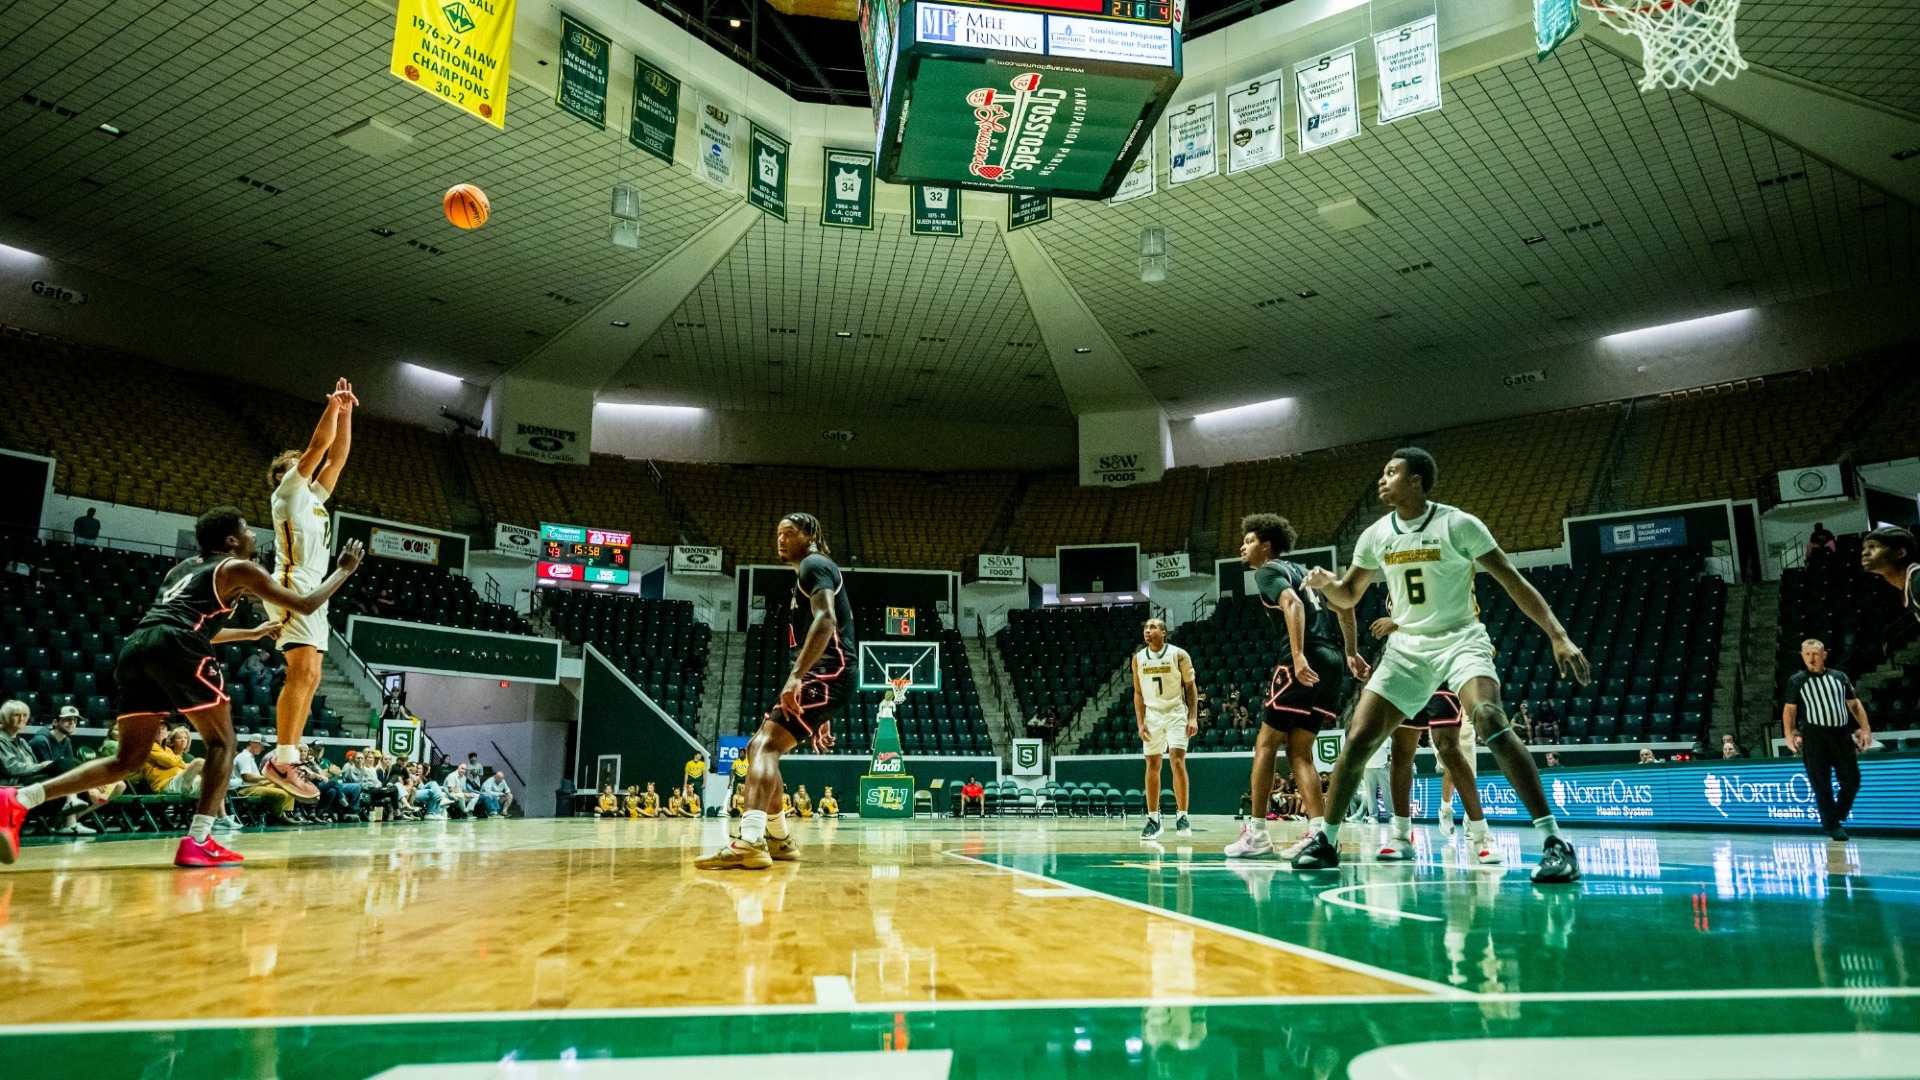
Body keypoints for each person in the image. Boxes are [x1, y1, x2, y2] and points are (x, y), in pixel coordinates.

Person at [1291, 448, 1589, 883]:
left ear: (1417, 481)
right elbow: (1349, 595)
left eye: (1393, 473)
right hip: (1407, 647)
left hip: (1460, 637)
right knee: (1358, 738)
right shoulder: (1376, 534)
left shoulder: (1458, 524)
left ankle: (1554, 840)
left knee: (1489, 718)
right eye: (1383, 472)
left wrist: (1557, 634)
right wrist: (1327, 585)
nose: (1383, 479)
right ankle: (1327, 839)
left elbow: (1513, 580)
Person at [0, 507, 362, 866]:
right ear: (231, 540)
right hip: (178, 647)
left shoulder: (183, 569)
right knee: (223, 742)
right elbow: (305, 603)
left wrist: (251, 633)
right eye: (247, 529)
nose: (254, 534)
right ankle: (199, 840)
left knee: (127, 760)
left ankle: (20, 799)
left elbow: (196, 623)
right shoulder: (239, 567)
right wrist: (343, 570)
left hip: (139, 646)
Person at [699, 513, 852, 871]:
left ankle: (750, 841)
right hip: (828, 677)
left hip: (830, 674)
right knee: (758, 747)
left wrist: (799, 676)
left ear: (810, 535)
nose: (781, 540)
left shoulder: (814, 565)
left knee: (765, 746)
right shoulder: (807, 574)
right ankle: (778, 839)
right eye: (778, 533)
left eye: (790, 533)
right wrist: (821, 713)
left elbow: (827, 621)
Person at [1225, 514, 1363, 861]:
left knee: (1266, 743)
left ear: (1266, 546)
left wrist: (1299, 656)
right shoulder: (1307, 571)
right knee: (1300, 751)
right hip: (1331, 660)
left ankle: (1256, 834)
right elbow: (1345, 604)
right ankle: (1319, 833)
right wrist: (1350, 653)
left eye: (1249, 540)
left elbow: (1293, 604)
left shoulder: (1268, 571)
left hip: (1304, 657)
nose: (1243, 546)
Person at [261, 380, 359, 806]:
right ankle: (281, 759)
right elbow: (320, 448)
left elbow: (336, 459)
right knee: (300, 671)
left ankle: (291, 756)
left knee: (313, 675)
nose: (308, 466)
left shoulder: (315, 498)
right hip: (292, 583)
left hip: (316, 586)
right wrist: (333, 410)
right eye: (298, 463)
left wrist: (349, 415)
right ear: (283, 475)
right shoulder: (286, 495)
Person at [1782, 638, 1871, 841]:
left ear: (1824, 655)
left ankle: (1837, 814)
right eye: (1807, 654)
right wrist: (1789, 733)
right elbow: (1789, 709)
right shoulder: (1796, 680)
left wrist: (1864, 728)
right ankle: (1832, 825)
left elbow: (1854, 703)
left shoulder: (1839, 677)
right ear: (1802, 656)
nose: (1811, 659)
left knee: (1852, 779)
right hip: (1814, 738)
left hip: (1840, 735)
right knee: (1821, 784)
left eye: (1815, 654)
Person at [1132, 617, 1198, 840]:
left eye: (1152, 627)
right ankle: (1153, 819)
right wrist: (1140, 723)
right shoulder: (1138, 659)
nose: (1147, 631)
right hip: (1152, 714)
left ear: (1164, 632)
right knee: (1152, 764)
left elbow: (1191, 687)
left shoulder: (1179, 655)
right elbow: (1138, 693)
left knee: (1177, 760)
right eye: (1145, 628)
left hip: (1175, 711)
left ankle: (1182, 816)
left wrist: (1193, 716)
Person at [232, 734, 299, 826]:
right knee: (281, 794)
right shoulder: (244, 757)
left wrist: (275, 780)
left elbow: (256, 780)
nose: (263, 748)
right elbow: (247, 777)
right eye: (261, 745)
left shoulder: (249, 757)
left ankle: (285, 814)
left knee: (289, 788)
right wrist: (268, 778)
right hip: (245, 790)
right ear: (253, 743)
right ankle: (276, 819)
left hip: (254, 787)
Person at [1862, 526, 1920, 625]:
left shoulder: (1917, 581)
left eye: (1873, 546)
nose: (1865, 552)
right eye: (1864, 548)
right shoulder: (1909, 585)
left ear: (1900, 553)